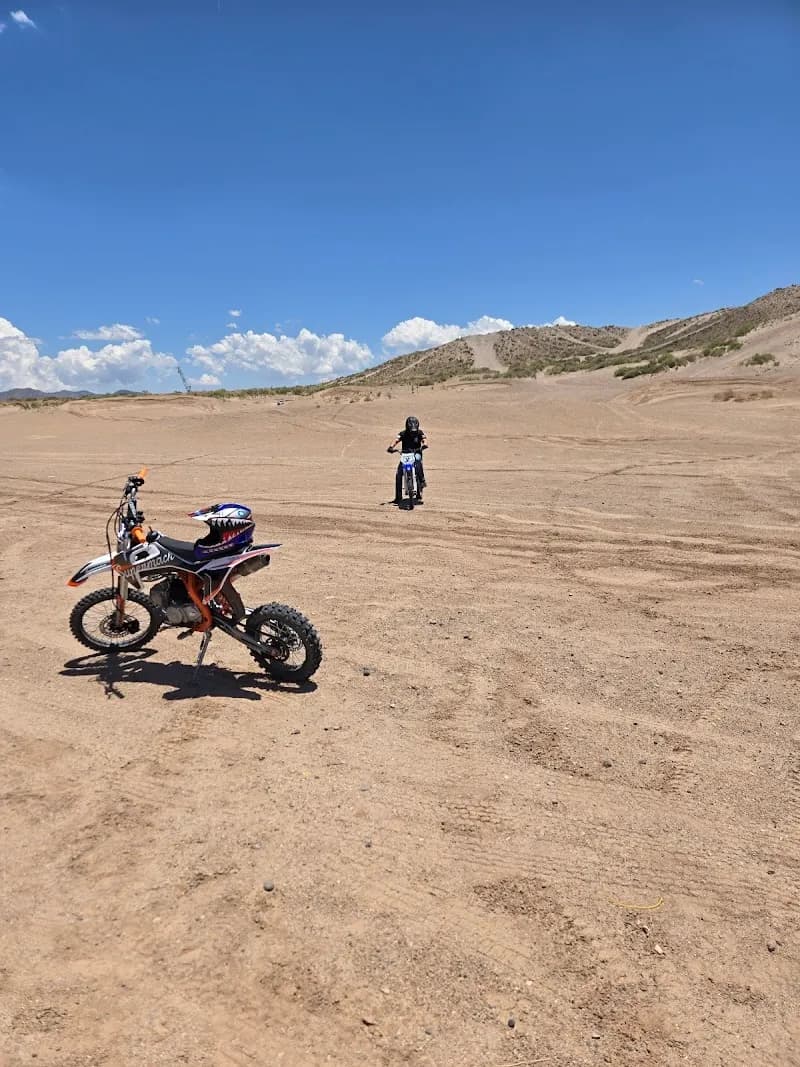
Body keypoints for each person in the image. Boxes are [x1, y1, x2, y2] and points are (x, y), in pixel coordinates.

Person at [387, 416, 428, 504]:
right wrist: (391, 447)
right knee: (399, 474)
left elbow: (424, 439)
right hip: (405, 454)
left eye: (414, 430)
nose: (413, 432)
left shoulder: (420, 433)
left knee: (418, 462)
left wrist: (424, 445)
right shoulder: (403, 433)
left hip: (416, 452)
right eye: (411, 430)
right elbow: (396, 440)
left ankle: (422, 481)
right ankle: (398, 497)